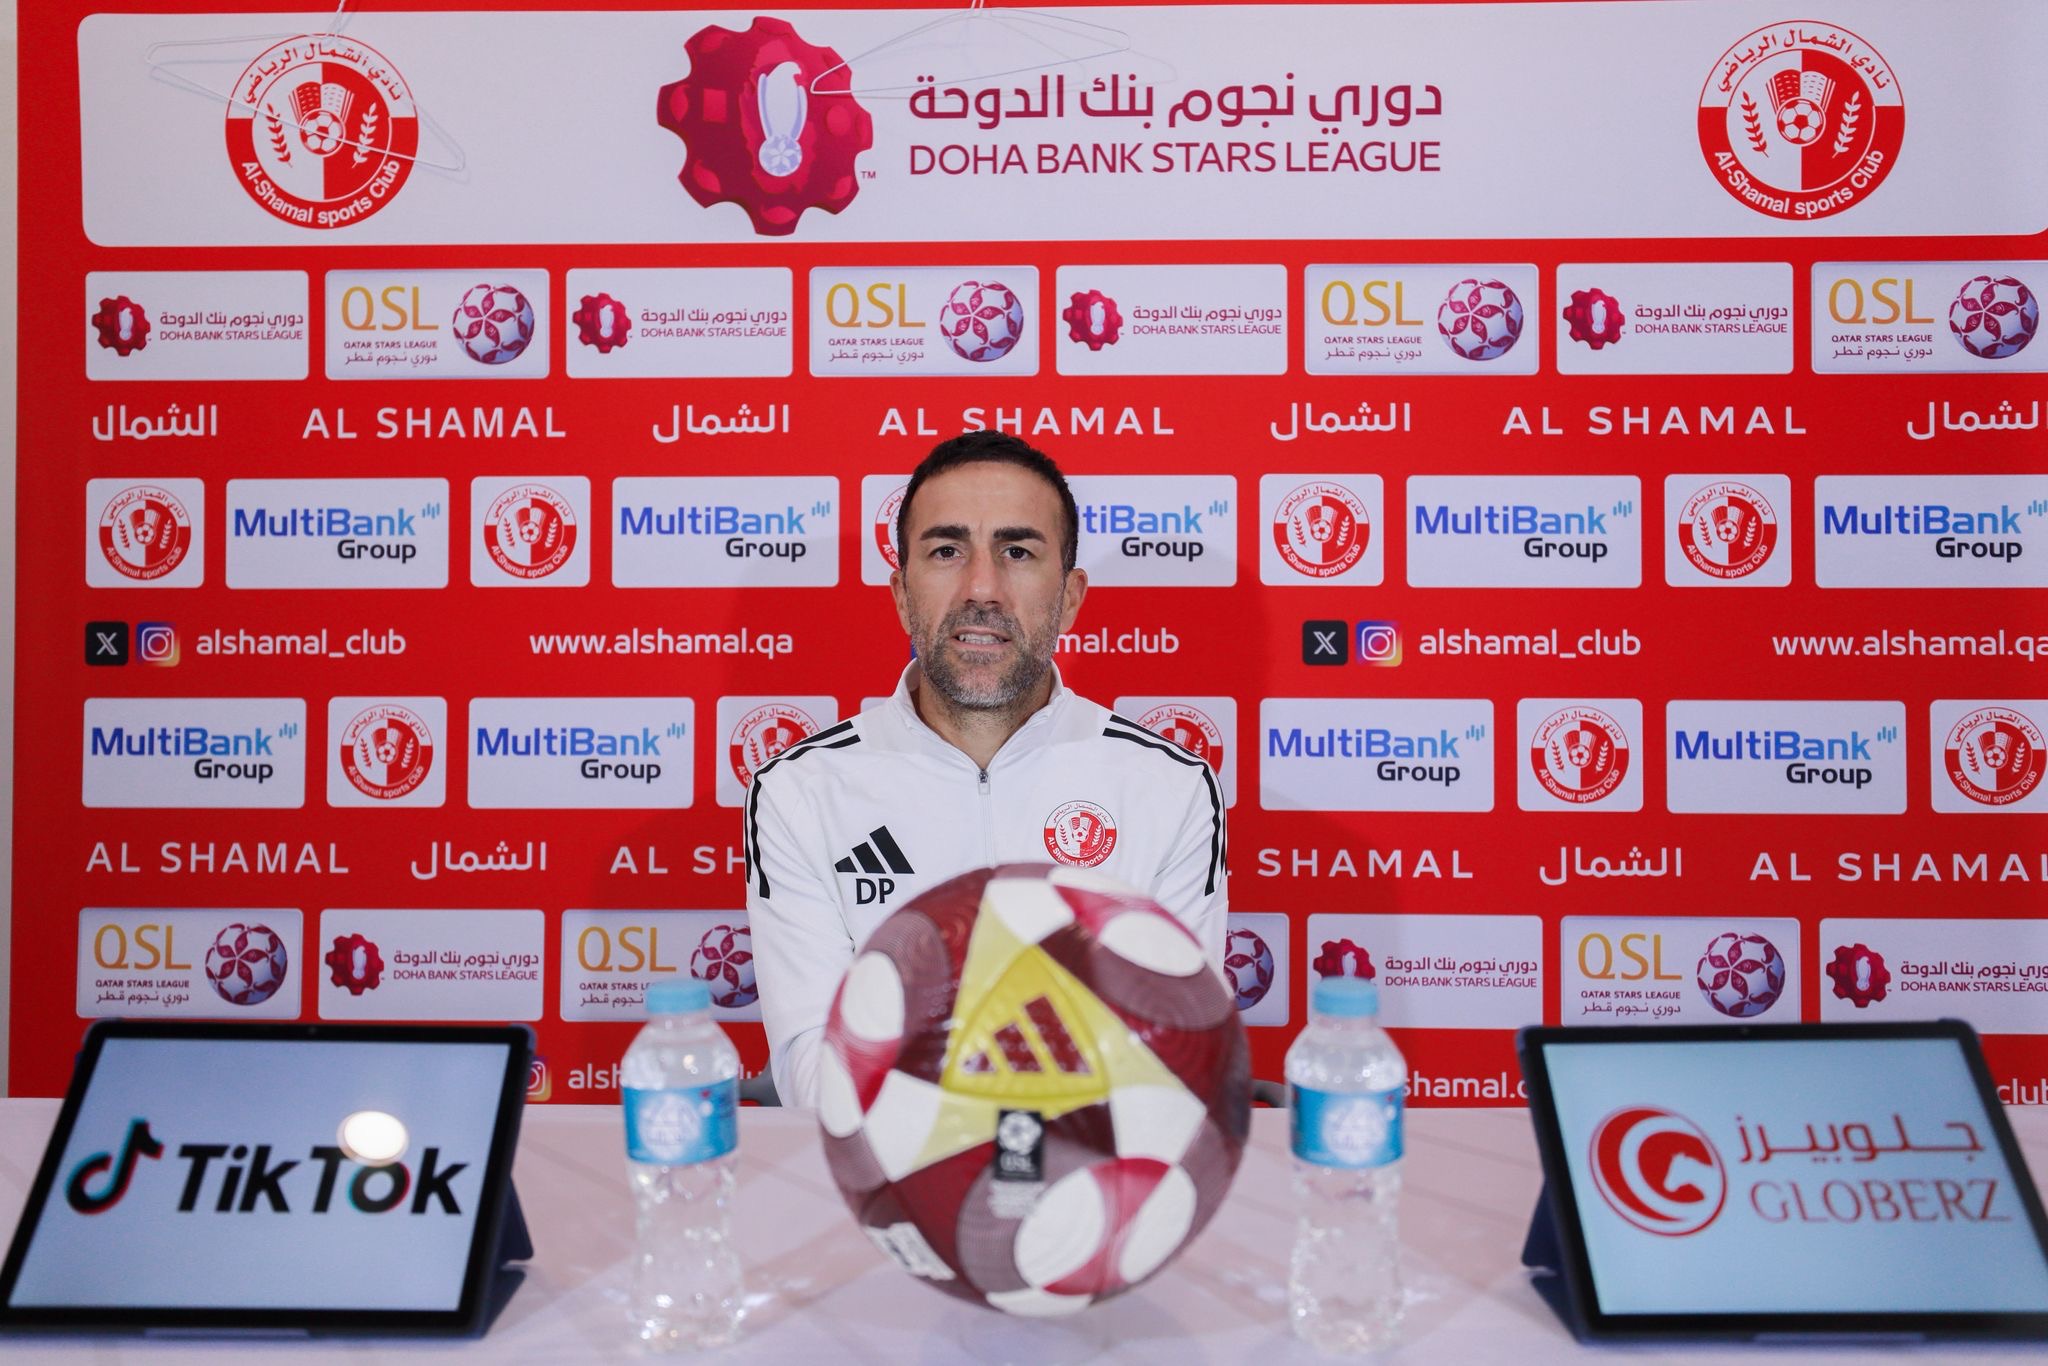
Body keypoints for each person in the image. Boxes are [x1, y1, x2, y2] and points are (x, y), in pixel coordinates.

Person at [743, 431, 1228, 1108]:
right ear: (901, 594)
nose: (981, 588)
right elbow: (815, 1074)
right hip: (894, 1175)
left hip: (1090, 1172)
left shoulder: (1168, 787)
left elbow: (1177, 1061)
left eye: (1017, 551)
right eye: (946, 551)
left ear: (1070, 597)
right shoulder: (800, 791)